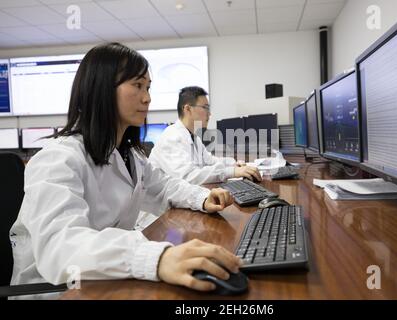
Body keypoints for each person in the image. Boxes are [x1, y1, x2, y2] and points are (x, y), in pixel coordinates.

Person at [9, 43, 242, 298]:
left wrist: (203, 197)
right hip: (56, 288)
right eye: (138, 85)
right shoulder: (58, 158)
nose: (148, 98)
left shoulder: (130, 155)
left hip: (106, 274)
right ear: (102, 89)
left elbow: (164, 187)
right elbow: (61, 246)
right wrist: (155, 257)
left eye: (148, 87)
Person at [149, 86, 262, 185]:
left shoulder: (194, 137)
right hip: (162, 208)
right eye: (205, 108)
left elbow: (209, 160)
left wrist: (234, 164)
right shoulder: (171, 137)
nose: (210, 113)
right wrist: (232, 172)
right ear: (187, 109)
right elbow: (188, 176)